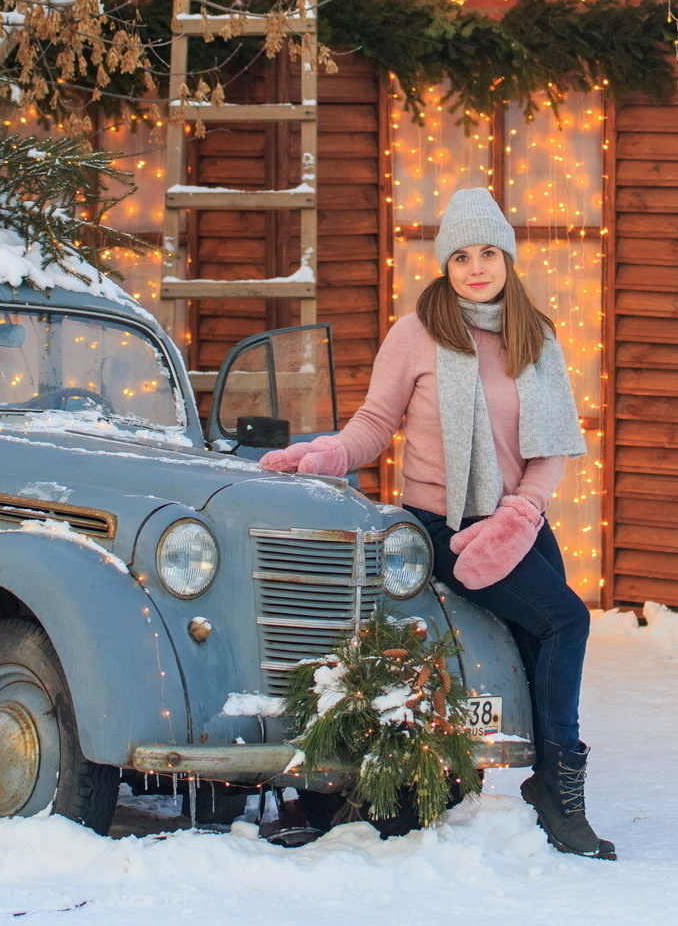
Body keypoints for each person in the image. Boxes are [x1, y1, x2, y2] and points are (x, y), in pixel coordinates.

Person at [259, 187, 613, 859]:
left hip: (516, 521)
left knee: (546, 639)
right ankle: (560, 793)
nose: (476, 266)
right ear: (444, 264)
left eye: (487, 252)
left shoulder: (535, 333)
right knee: (569, 618)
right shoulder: (416, 332)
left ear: (506, 256)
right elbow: (373, 425)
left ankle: (550, 785)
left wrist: (523, 510)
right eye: (460, 255)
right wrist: (327, 452)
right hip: (443, 526)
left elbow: (551, 451)